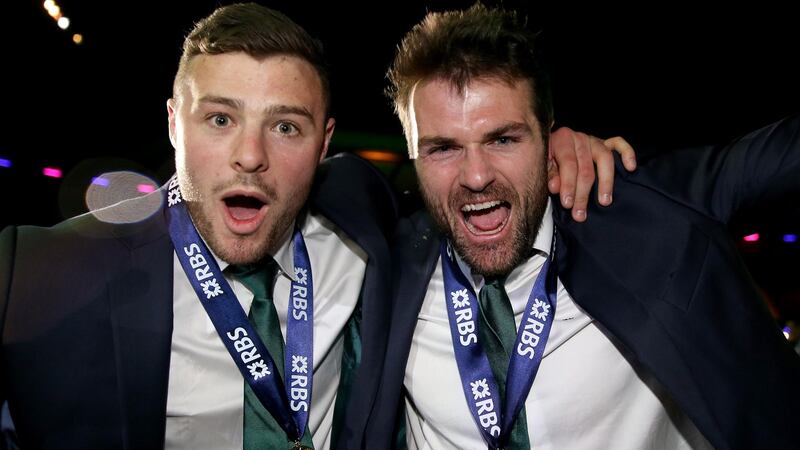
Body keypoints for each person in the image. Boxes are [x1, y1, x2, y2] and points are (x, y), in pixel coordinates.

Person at [0, 3, 630, 450]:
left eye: (285, 126)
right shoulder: (38, 272)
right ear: (173, 124)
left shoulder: (357, 222)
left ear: (324, 144)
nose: (251, 155)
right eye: (220, 120)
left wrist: (555, 146)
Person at [367, 3, 800, 449]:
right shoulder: (388, 261)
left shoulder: (641, 211)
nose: (476, 176)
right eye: (443, 148)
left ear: (547, 133)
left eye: (503, 139)